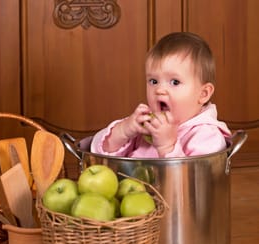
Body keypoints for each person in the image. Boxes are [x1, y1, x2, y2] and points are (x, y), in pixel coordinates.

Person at [91, 32, 231, 158]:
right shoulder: (144, 125)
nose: (159, 90)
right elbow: (98, 153)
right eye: (153, 81)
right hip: (133, 186)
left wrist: (167, 147)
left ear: (203, 94)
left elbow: (196, 180)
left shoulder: (206, 135)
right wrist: (124, 130)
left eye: (175, 82)